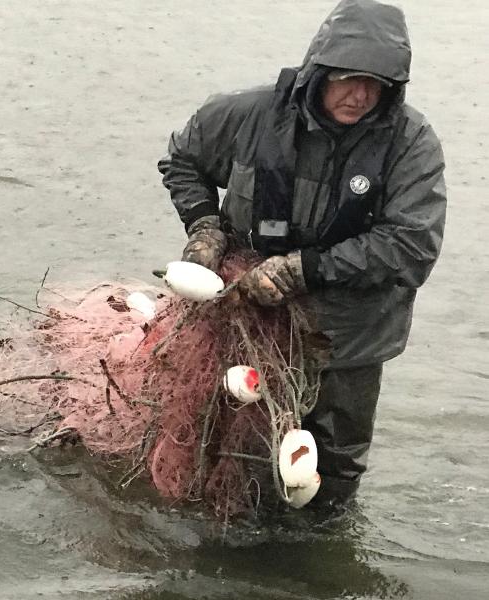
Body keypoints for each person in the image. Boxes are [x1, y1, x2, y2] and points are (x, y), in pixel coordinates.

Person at [158, 0, 446, 507]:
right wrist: (205, 224)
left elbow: (412, 245)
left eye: (375, 84)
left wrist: (301, 270)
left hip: (349, 338)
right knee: (237, 451)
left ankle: (318, 553)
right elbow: (183, 160)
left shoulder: (410, 143)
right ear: (319, 70)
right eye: (348, 79)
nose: (360, 95)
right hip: (247, 318)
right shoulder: (246, 116)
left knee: (330, 472)